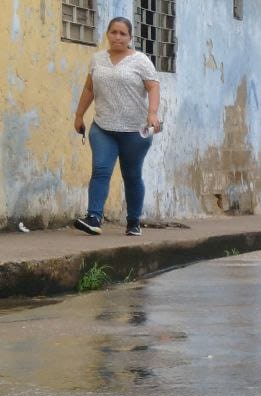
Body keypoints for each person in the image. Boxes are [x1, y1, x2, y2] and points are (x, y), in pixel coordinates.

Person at [72, 17, 160, 236]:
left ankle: (133, 222)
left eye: (122, 34)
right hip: (103, 128)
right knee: (100, 170)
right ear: (107, 34)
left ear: (130, 37)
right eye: (114, 32)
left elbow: (153, 87)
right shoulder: (97, 60)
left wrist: (152, 113)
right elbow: (89, 89)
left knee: (131, 175)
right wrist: (79, 115)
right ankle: (94, 217)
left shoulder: (141, 61)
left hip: (134, 131)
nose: (117, 37)